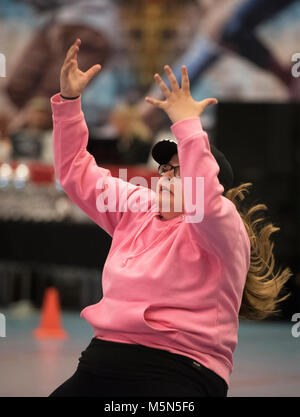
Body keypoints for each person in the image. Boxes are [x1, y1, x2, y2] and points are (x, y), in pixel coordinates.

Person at [49, 39, 292, 397]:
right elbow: (75, 172)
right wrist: (69, 103)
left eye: (180, 171)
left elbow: (203, 202)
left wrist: (187, 124)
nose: (166, 175)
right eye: (165, 168)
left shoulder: (221, 225)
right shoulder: (138, 208)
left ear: (211, 184)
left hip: (179, 369)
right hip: (102, 360)